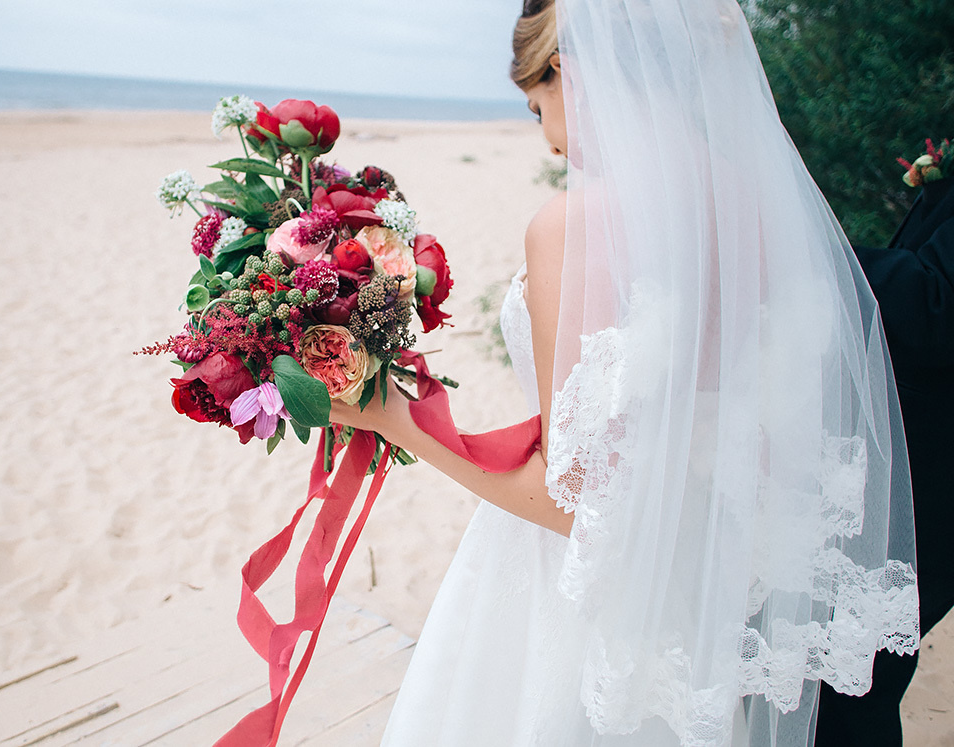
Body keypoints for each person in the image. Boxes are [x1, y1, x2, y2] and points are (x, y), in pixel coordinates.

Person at [330, 0, 921, 744]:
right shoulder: (757, 207)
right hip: (694, 611)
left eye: (535, 107)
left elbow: (575, 504)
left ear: (570, 75)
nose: (547, 141)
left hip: (579, 612)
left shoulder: (572, 226)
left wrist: (390, 413)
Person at [815, 152, 954, 746]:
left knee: (851, 683)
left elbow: (937, 306)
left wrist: (808, 244)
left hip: (932, 478)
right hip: (902, 465)